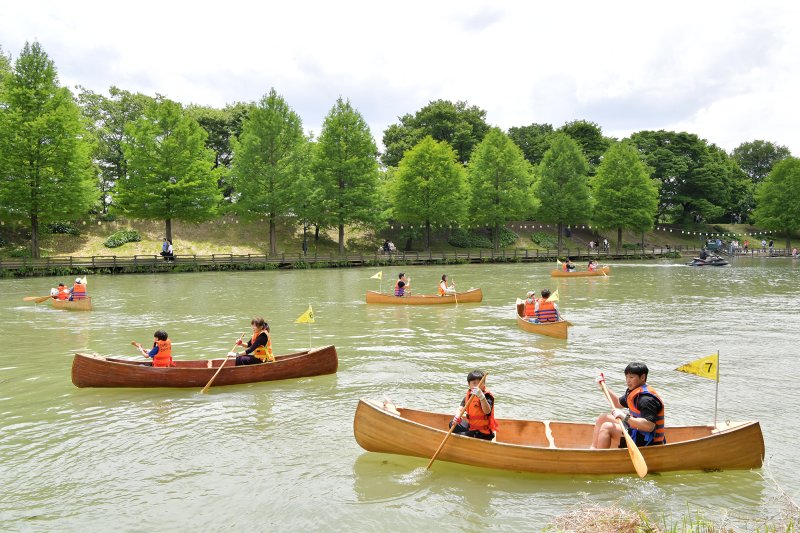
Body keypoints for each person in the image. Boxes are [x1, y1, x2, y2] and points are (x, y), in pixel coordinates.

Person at [590, 362, 665, 449]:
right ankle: (593, 449)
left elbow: (649, 426)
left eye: (631, 377)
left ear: (643, 377)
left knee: (607, 427)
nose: (628, 380)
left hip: (646, 440)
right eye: (626, 377)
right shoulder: (633, 391)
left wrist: (625, 417)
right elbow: (617, 403)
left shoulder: (646, 399)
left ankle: (599, 458)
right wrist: (603, 387)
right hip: (636, 430)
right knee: (603, 417)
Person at [448, 370, 498, 441]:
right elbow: (460, 408)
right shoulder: (469, 395)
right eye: (474, 383)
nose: (477, 386)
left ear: (484, 383)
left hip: (483, 432)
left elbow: (487, 411)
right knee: (452, 424)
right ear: (469, 384)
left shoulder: (486, 396)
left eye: (480, 383)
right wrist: (457, 416)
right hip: (472, 427)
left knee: (459, 436)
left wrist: (481, 397)